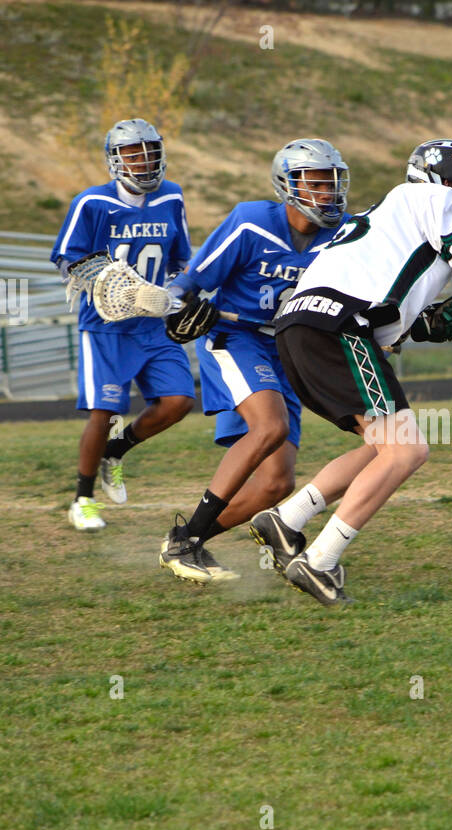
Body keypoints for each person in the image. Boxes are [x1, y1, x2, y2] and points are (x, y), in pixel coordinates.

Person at [256, 139, 452, 605]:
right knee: (406, 451)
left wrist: (430, 323)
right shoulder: (435, 198)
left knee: (384, 448)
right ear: (446, 181)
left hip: (303, 329)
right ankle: (319, 561)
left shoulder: (393, 216)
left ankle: (286, 519)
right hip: (337, 328)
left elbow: (390, 322)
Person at [157, 139, 351, 584]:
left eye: (333, 182)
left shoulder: (343, 238)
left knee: (276, 485)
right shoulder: (250, 223)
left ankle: (187, 539)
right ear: (289, 185)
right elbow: (187, 286)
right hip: (238, 337)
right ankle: (187, 546)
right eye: (316, 183)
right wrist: (181, 310)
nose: (328, 193)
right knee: (270, 426)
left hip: (290, 352)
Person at [51, 118, 194, 531]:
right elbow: (69, 260)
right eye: (133, 153)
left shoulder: (172, 196)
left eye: (150, 150)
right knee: (104, 411)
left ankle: (118, 449)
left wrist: (182, 294)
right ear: (115, 160)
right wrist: (121, 288)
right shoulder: (91, 203)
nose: (144, 160)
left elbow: (180, 259)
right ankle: (82, 499)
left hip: (153, 324)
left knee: (179, 401)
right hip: (107, 326)